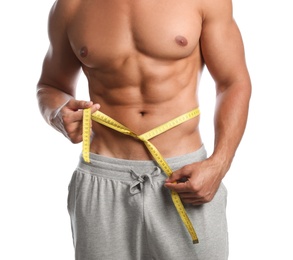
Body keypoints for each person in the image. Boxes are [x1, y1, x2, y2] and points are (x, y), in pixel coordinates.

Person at [36, 0, 251, 259]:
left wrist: (219, 164)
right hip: (103, 175)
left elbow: (233, 82)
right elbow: (49, 86)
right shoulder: (71, 6)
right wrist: (56, 113)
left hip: (185, 177)